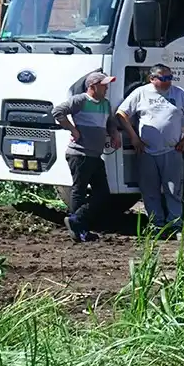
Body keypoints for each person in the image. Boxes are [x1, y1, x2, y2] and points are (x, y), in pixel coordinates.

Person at [116, 65, 184, 231]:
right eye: (163, 78)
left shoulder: (179, 93)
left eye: (170, 78)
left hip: (172, 151)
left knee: (173, 190)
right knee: (149, 191)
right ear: (152, 79)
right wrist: (134, 138)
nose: (168, 82)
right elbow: (121, 114)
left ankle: (175, 225)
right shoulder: (141, 93)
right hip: (146, 151)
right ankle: (156, 224)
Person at [52, 70, 122, 243]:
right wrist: (73, 130)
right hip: (80, 154)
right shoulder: (80, 100)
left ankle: (77, 220)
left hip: (95, 155)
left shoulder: (105, 103)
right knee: (79, 190)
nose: (106, 88)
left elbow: (110, 122)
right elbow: (58, 112)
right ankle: (79, 227)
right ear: (92, 86)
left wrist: (114, 134)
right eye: (103, 85)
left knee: (103, 193)